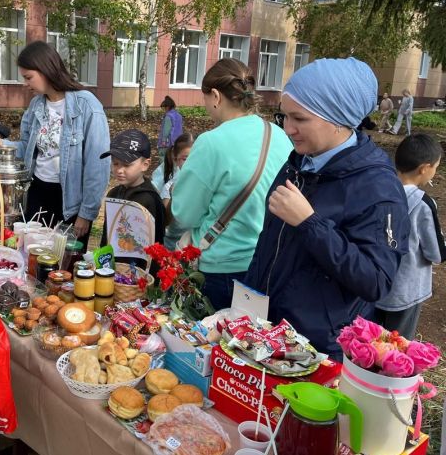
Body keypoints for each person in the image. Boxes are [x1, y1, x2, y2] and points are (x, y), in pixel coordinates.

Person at [243, 57, 410, 358]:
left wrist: (310, 223)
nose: (288, 128)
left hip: (315, 349)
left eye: (300, 119)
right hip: (266, 332)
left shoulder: (377, 188)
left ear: (338, 119)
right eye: (284, 117)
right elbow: (272, 243)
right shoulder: (299, 162)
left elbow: (375, 281)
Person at [171, 58, 292, 310]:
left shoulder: (211, 142)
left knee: (209, 343)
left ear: (215, 95)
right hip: (267, 263)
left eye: (205, 98)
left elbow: (184, 213)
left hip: (220, 266)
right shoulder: (279, 136)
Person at [9, 41, 110, 244]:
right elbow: (26, 148)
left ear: (46, 70)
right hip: (37, 194)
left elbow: (97, 165)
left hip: (69, 202)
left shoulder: (87, 106)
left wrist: (86, 213)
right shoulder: (36, 105)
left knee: (63, 266)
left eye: (29, 77)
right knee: (33, 257)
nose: (25, 84)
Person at [374, 134, 444, 339]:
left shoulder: (378, 191)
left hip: (375, 284)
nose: (435, 172)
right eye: (436, 167)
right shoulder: (423, 204)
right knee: (398, 345)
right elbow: (436, 253)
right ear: (424, 168)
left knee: (372, 342)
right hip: (405, 291)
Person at [100, 129, 166, 254]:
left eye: (126, 164)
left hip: (139, 270)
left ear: (145, 165)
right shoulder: (113, 194)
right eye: (115, 163)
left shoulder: (150, 200)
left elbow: (157, 243)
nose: (119, 170)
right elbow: (106, 235)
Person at [152, 132, 194, 198]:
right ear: (175, 159)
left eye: (196, 157)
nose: (191, 162)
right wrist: (173, 196)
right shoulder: (171, 185)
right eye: (185, 159)